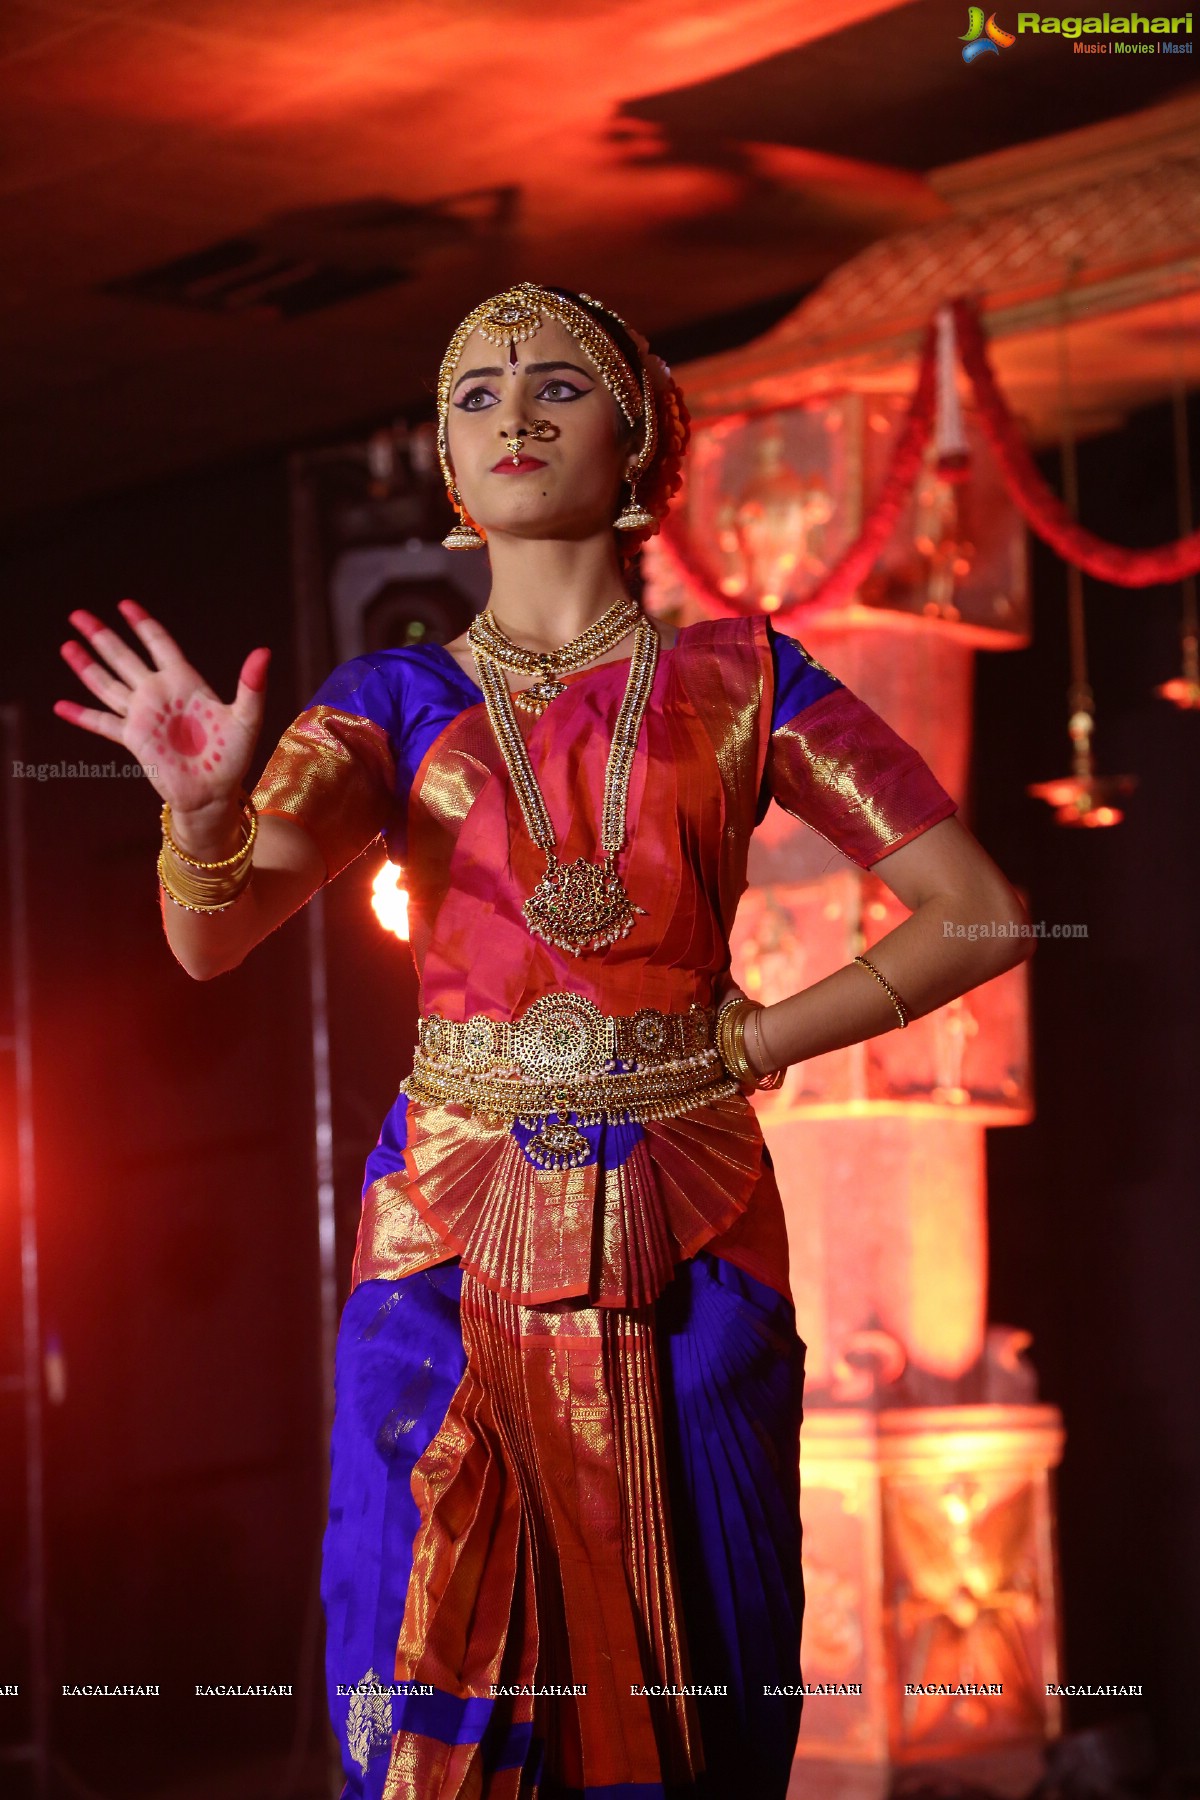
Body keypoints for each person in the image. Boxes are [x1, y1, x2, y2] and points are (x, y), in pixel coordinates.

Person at [53, 282, 1033, 1800]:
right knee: (418, 1625)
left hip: (687, 1232)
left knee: (709, 1638)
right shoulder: (393, 701)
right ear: (449, 465)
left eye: (559, 385)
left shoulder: (745, 684)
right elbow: (212, 937)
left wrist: (755, 1037)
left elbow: (975, 914)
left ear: (638, 440)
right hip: (445, 1229)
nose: (513, 412)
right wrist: (196, 822)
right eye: (475, 393)